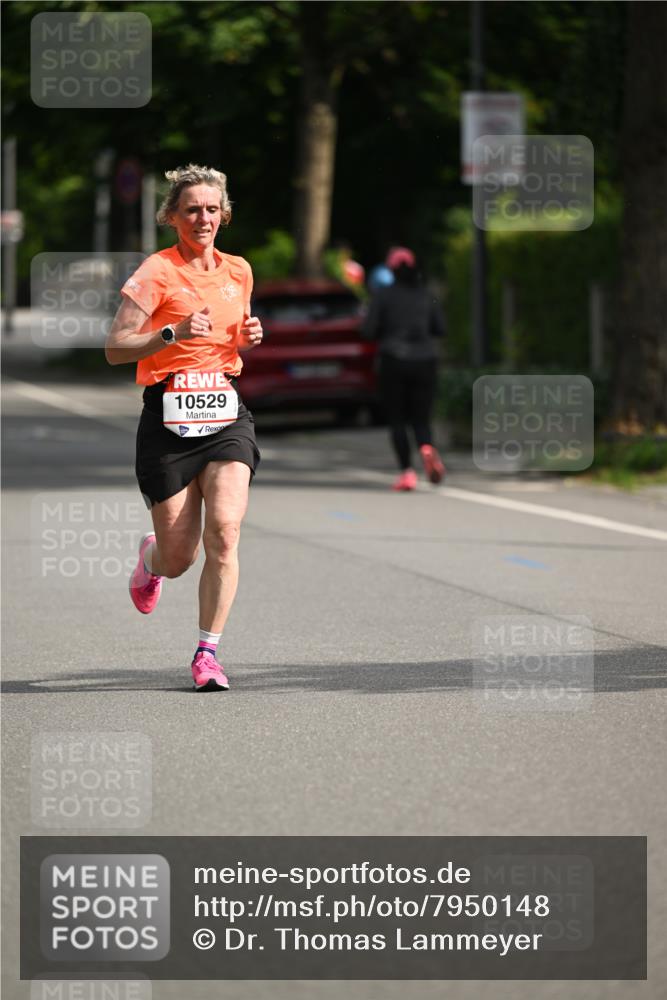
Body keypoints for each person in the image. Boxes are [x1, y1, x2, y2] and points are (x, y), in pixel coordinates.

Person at [105, 164, 263, 691]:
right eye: (192, 209)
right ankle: (151, 560)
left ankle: (206, 655)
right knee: (179, 558)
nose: (203, 218)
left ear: (224, 215)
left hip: (225, 414)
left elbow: (231, 337)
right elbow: (115, 348)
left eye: (212, 209)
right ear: (172, 216)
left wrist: (247, 338)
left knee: (226, 533)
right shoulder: (156, 271)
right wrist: (170, 333)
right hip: (168, 419)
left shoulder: (238, 270)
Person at [363, 246, 446, 491]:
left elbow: (368, 330)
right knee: (421, 418)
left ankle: (407, 472)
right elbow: (440, 328)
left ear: (391, 269)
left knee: (397, 419)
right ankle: (426, 448)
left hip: (393, 360)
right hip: (426, 360)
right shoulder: (426, 294)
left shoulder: (383, 295)